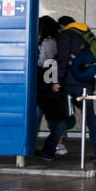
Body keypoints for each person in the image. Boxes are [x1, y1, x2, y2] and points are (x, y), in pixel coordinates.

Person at [52, 16, 96, 163]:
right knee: (90, 117)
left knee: (61, 115)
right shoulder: (87, 33)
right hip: (87, 82)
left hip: (71, 82)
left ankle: (50, 149)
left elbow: (63, 59)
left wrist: (58, 80)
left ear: (63, 26)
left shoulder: (66, 34)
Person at [34, 16, 68, 160]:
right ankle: (51, 147)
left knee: (48, 117)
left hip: (48, 86)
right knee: (56, 118)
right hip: (53, 85)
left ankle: (51, 148)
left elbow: (46, 64)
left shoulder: (48, 43)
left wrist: (50, 85)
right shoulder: (56, 40)